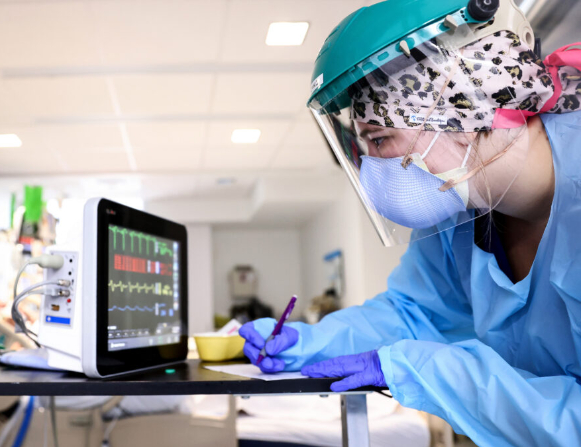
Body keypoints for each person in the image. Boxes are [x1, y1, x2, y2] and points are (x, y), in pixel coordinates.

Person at [239, 0, 581, 445]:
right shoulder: (464, 212)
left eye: (379, 140)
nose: (372, 169)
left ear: (464, 105)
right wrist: (311, 342)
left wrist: (435, 372)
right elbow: (414, 313)